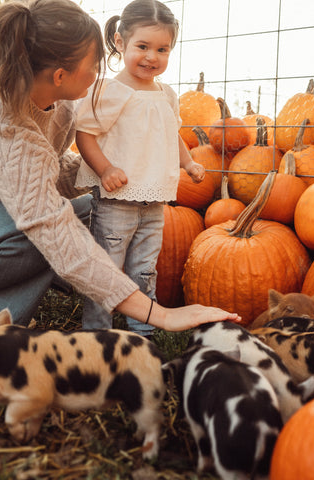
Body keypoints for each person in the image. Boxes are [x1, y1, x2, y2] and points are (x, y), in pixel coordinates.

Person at [0, 0, 240, 361]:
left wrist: (114, 170)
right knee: (44, 230)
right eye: (94, 64)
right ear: (59, 75)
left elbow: (46, 168)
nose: (100, 73)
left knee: (91, 213)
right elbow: (45, 215)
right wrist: (159, 314)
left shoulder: (62, 103)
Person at [75, 0, 205, 336]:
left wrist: (188, 162)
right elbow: (85, 135)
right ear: (120, 42)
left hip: (154, 203)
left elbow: (170, 134)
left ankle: (141, 334)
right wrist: (104, 169)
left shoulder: (166, 94)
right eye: (143, 46)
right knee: (107, 268)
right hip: (116, 201)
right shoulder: (109, 90)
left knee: (145, 269)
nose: (152, 57)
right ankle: (97, 335)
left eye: (162, 49)